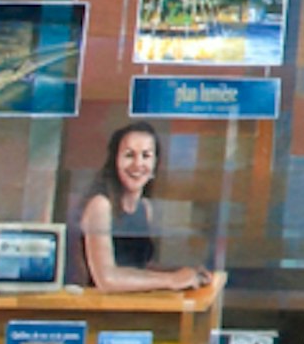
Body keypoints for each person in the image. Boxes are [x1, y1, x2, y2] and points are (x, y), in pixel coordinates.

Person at [70, 123, 217, 296]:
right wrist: (172, 280)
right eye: (129, 155)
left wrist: (185, 273)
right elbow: (106, 279)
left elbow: (139, 268)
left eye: (146, 155)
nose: (137, 164)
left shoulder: (145, 207)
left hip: (135, 307)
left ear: (155, 163)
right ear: (114, 161)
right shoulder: (100, 205)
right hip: (99, 310)